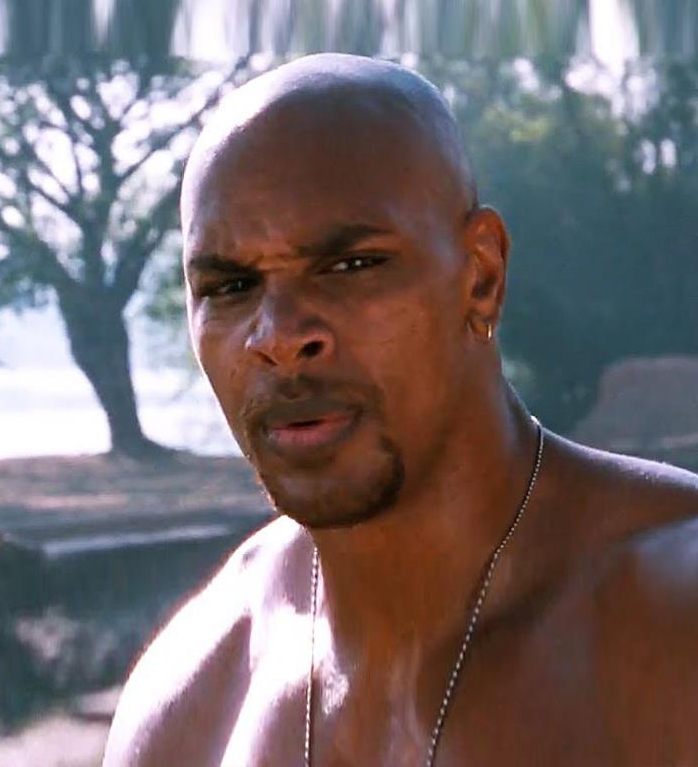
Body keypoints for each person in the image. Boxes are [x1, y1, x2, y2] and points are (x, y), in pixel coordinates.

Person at [103, 54, 698, 767]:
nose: (280, 337)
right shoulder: (192, 698)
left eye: (351, 265)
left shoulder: (672, 626)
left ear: (480, 277)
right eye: (231, 287)